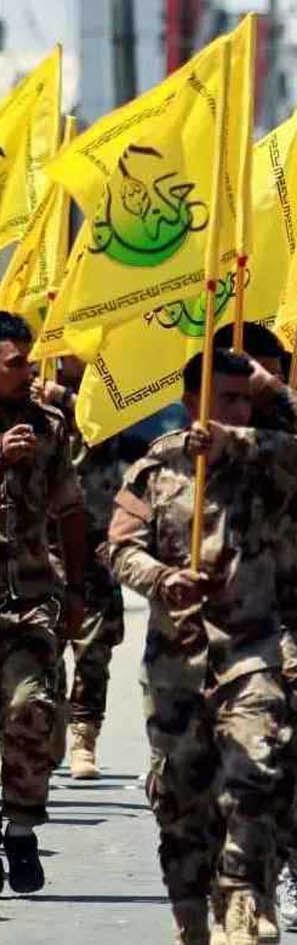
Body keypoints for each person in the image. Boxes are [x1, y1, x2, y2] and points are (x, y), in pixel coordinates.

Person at [109, 348, 297, 945]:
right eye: (226, 399)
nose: (239, 409)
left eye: (245, 399)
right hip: (178, 660)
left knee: (253, 777)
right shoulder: (156, 467)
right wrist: (162, 578)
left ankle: (245, 901)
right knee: (182, 800)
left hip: (254, 650)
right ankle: (192, 912)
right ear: (192, 402)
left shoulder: (271, 459)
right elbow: (121, 547)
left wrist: (268, 394)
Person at [0, 312, 86, 895]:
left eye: (29, 361)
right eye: (16, 364)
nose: (29, 373)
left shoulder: (47, 426)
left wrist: (77, 589)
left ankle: (21, 826)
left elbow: (71, 510)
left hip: (30, 597)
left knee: (30, 708)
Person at [32, 353, 128, 781]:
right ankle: (45, 727)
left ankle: (84, 737)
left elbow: (105, 428)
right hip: (42, 543)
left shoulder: (107, 386)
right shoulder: (29, 392)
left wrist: (67, 400)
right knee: (40, 642)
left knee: (94, 647)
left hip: (95, 540)